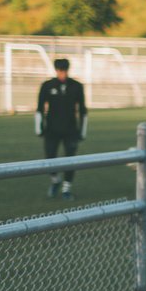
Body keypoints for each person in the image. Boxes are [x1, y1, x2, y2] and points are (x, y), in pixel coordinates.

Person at [35, 57, 87, 200]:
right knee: (49, 158)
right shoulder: (47, 85)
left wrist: (82, 131)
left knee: (70, 160)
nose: (62, 73)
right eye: (60, 70)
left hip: (71, 130)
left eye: (64, 70)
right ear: (56, 70)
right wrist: (39, 128)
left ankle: (66, 189)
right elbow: (40, 108)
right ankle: (55, 181)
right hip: (51, 129)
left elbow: (82, 110)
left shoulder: (77, 86)